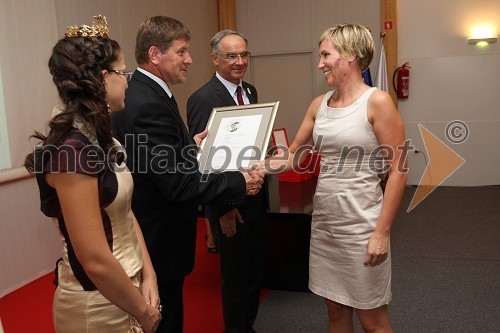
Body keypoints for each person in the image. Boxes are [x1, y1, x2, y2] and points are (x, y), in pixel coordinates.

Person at [110, 17, 264, 333]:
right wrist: (239, 181)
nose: (189, 60)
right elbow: (178, 185)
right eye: (182, 52)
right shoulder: (148, 102)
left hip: (154, 232)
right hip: (158, 239)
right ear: (155, 55)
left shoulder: (143, 92)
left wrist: (188, 148)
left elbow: (153, 161)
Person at [259, 24, 408, 332]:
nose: (320, 63)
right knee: (336, 313)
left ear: (351, 56)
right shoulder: (319, 105)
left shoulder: (377, 102)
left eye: (326, 54)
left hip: (362, 225)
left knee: (373, 321)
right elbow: (293, 154)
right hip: (327, 226)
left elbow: (398, 170)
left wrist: (381, 233)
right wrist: (251, 165)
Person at [24, 15, 161, 332]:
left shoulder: (100, 138)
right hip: (98, 306)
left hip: (127, 286)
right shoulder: (71, 153)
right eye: (122, 72)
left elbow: (124, 213)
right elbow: (95, 260)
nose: (127, 80)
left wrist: (148, 273)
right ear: (102, 78)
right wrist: (143, 312)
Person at [187, 30, 267, 333]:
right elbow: (205, 162)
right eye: (231, 55)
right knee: (235, 277)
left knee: (255, 272)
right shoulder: (202, 98)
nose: (239, 61)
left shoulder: (251, 91)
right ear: (215, 59)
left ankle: (248, 326)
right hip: (229, 203)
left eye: (244, 54)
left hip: (255, 196)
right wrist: (224, 208)